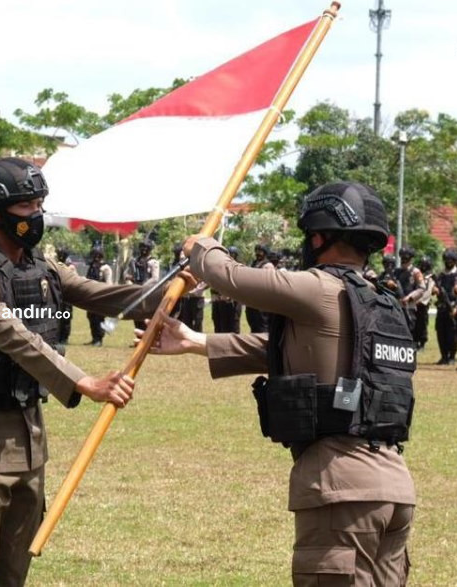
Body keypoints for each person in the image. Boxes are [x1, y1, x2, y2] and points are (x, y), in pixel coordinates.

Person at [148, 181, 416, 585]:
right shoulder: (377, 302)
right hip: (393, 488)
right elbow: (289, 349)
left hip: (341, 489)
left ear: (319, 236)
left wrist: (201, 246)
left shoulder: (317, 287)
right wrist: (195, 341)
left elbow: (231, 277)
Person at [0, 157, 161, 586]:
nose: (36, 216)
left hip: (30, 445)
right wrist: (84, 382)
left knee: (14, 570)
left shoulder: (43, 268)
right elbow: (17, 338)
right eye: (26, 206)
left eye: (39, 204)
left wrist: (173, 288)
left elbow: (104, 295)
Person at [124, 239, 161, 331]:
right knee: (136, 315)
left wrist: (143, 286)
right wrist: (129, 280)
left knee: (146, 316)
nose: (144, 250)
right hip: (136, 290)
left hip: (148, 291)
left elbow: (155, 278)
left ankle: (146, 338)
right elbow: (128, 275)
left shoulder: (153, 262)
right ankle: (138, 337)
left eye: (146, 248)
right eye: (142, 247)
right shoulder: (134, 261)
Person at [433, 249, 457, 365]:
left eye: (451, 260)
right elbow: (435, 288)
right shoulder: (441, 275)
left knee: (452, 333)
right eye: (446, 260)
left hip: (453, 307)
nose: (448, 262)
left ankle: (452, 356)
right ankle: (443, 355)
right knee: (441, 332)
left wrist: (456, 307)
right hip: (442, 307)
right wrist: (434, 290)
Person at [392, 246, 426, 336]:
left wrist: (409, 297)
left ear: (411, 258)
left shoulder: (415, 272)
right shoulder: (396, 271)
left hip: (409, 307)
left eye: (406, 258)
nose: (403, 260)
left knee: (408, 334)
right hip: (396, 307)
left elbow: (422, 288)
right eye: (402, 258)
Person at [211, 245, 243, 333]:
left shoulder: (239, 267)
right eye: (229, 254)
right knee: (222, 324)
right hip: (222, 300)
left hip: (234, 300)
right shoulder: (223, 267)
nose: (231, 256)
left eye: (233, 254)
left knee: (234, 324)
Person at [85, 248, 113, 346]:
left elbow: (109, 284)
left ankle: (99, 339)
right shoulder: (92, 267)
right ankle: (94, 338)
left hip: (100, 295)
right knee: (91, 316)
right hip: (91, 295)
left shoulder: (105, 268)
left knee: (98, 318)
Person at [245, 243, 274, 333]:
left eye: (260, 251)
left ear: (265, 253)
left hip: (261, 302)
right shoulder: (254, 264)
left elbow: (268, 284)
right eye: (257, 251)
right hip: (252, 301)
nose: (258, 253)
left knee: (262, 327)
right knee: (253, 325)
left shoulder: (268, 265)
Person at [56, 248, 76, 346]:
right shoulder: (57, 264)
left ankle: (65, 337)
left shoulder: (70, 267)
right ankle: (59, 337)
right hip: (59, 295)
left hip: (67, 295)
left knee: (66, 317)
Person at [413, 256, 434, 350]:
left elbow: (428, 291)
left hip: (423, 304)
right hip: (415, 302)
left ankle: (422, 343)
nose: (423, 266)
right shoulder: (418, 274)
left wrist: (421, 301)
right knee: (415, 323)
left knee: (422, 323)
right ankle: (415, 341)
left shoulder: (431, 276)